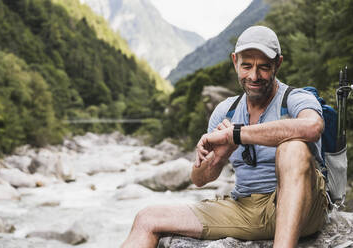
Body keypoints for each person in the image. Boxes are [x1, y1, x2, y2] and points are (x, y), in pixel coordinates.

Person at [121, 25, 328, 248]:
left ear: (278, 63)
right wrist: (221, 154)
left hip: (304, 209)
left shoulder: (296, 98)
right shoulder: (225, 110)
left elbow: (313, 126)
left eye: (264, 67)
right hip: (244, 208)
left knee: (293, 147)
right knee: (146, 218)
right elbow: (199, 179)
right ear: (234, 61)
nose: (254, 76)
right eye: (246, 66)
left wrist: (237, 134)